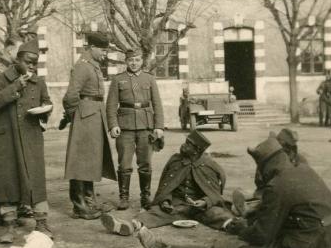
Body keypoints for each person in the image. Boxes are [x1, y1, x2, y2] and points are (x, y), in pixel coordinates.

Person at [137, 136, 331, 248]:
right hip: (329, 245)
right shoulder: (303, 169)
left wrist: (240, 228)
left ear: (266, 166)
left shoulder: (278, 185)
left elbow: (261, 236)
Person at [0, 39, 53, 243]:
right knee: (8, 181)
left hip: (31, 136)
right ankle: (10, 226)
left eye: (35, 63)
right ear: (17, 59)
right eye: (28, 61)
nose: (32, 66)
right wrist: (15, 87)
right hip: (6, 139)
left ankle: (41, 223)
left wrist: (45, 113)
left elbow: (46, 102)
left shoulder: (38, 82)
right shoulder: (0, 77)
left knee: (35, 179)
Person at [101, 130, 234, 235]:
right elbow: (166, 186)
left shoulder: (209, 166)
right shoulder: (176, 160)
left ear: (197, 150)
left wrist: (205, 202)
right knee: (155, 213)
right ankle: (129, 226)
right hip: (177, 205)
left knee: (218, 214)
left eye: (188, 144)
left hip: (202, 207)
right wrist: (165, 201)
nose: (183, 145)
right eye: (185, 142)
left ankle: (238, 227)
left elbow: (215, 194)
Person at [63, 31, 116, 220]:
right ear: (92, 47)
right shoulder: (82, 67)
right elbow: (71, 96)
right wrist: (75, 116)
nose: (105, 53)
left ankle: (89, 201)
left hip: (93, 115)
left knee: (91, 161)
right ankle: (79, 206)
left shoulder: (92, 65)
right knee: (80, 162)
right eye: (102, 49)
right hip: (85, 117)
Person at [106, 48, 164, 210]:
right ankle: (124, 197)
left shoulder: (149, 78)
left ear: (142, 61)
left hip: (146, 126)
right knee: (124, 163)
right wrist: (113, 125)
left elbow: (157, 104)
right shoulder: (118, 80)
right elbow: (111, 105)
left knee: (145, 163)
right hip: (125, 127)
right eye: (131, 60)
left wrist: (159, 126)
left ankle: (145, 196)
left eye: (137, 60)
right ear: (126, 61)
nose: (134, 63)